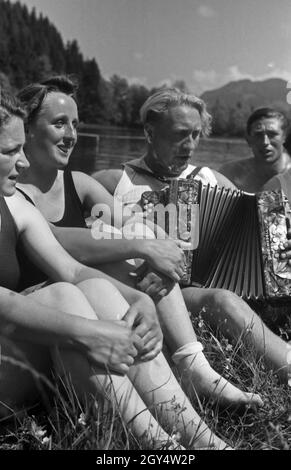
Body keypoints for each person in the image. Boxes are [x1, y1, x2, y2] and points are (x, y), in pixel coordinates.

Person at [0, 89, 237, 450]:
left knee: (85, 287)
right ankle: (162, 451)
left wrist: (136, 298)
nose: (21, 163)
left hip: (22, 351)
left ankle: (205, 442)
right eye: (9, 152)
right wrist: (89, 332)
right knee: (61, 296)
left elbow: (73, 269)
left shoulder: (15, 203)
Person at [94, 88, 290, 383]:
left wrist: (279, 233)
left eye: (197, 134)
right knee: (223, 301)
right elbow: (87, 246)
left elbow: (257, 230)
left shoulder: (210, 178)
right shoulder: (112, 182)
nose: (190, 145)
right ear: (149, 132)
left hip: (202, 286)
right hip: (144, 291)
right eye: (180, 134)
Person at [219, 108, 291, 193]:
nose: (265, 142)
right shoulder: (229, 173)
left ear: (285, 138)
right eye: (258, 135)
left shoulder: (289, 173)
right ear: (248, 140)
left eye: (272, 135)